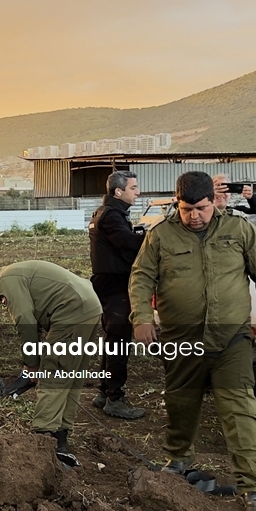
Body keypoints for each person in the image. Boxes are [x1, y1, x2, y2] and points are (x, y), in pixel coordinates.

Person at [130, 171, 256, 511]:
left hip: (231, 339)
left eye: (201, 208)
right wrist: (140, 318)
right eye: (187, 209)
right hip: (181, 339)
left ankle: (252, 486)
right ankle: (179, 459)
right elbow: (141, 277)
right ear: (177, 203)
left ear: (213, 202)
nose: (194, 216)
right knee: (180, 404)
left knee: (240, 411)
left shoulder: (239, 229)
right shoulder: (160, 235)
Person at [0, 262, 102, 466]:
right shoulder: (12, 274)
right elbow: (34, 322)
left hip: (71, 311)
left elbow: (25, 322)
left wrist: (32, 365)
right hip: (89, 307)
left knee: (52, 375)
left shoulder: (4, 281)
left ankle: (43, 439)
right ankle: (60, 439)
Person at [88, 171, 146, 419]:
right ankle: (115, 398)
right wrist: (150, 236)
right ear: (118, 192)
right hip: (115, 285)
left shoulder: (106, 212)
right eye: (133, 188)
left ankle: (104, 392)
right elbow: (129, 243)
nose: (138, 192)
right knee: (119, 342)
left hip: (108, 283)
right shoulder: (111, 215)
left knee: (113, 340)